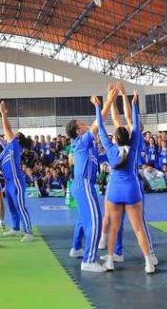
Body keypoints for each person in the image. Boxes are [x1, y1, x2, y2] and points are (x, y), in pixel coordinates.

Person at [94, 90, 155, 273]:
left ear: (115, 139)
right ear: (129, 136)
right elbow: (135, 123)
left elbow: (101, 128)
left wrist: (98, 106)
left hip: (114, 190)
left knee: (114, 227)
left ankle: (111, 261)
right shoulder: (135, 145)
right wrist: (135, 102)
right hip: (132, 190)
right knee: (138, 229)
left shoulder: (110, 149)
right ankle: (148, 262)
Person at [66, 85, 114, 272]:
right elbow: (99, 122)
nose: (86, 124)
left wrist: (114, 154)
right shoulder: (81, 141)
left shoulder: (87, 146)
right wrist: (108, 101)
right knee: (95, 220)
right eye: (82, 123)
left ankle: (76, 248)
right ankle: (89, 260)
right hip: (84, 184)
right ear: (78, 130)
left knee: (82, 217)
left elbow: (98, 158)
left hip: (82, 184)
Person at [0, 101, 34, 243]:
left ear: (17, 139)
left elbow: (6, 129)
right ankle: (16, 228)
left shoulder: (15, 146)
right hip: (9, 183)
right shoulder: (7, 148)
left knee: (20, 206)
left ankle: (29, 232)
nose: (9, 136)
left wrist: (3, 115)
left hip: (17, 181)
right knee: (12, 206)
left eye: (13, 135)